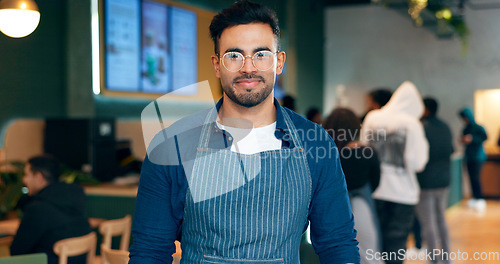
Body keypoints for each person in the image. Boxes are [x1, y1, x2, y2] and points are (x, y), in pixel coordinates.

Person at [129, 1, 359, 263]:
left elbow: (338, 245)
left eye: (261, 54)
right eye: (234, 56)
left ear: (279, 62)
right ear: (217, 65)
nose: (248, 68)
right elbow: (149, 251)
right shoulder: (173, 145)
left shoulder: (315, 143)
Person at [361, 81, 428, 264]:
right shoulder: (411, 124)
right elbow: (418, 162)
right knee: (396, 245)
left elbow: (363, 149)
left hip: (374, 190)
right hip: (403, 193)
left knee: (374, 242)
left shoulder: (372, 117)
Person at [324, 108, 382, 264]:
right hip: (361, 206)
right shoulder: (367, 152)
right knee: (368, 254)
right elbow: (375, 182)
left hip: (330, 210)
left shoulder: (325, 153)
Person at [10, 155, 91, 264]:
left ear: (38, 177)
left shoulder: (38, 208)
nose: (24, 180)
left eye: (26, 175)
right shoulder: (75, 195)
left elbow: (16, 252)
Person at [415, 97, 454, 264]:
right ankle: (446, 258)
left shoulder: (421, 128)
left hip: (426, 181)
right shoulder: (445, 126)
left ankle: (433, 259)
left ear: (425, 109)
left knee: (428, 223)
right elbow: (451, 150)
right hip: (444, 180)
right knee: (441, 220)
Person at [458, 107, 488, 210]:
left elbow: (485, 137)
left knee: (475, 177)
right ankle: (475, 197)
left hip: (478, 157)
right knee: (470, 177)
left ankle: (480, 198)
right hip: (469, 156)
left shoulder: (478, 127)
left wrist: (472, 139)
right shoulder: (466, 128)